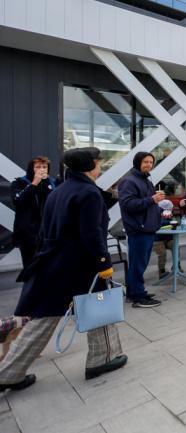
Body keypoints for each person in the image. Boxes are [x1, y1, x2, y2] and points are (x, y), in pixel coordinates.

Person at [0, 148, 126, 391]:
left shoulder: (59, 190)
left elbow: (45, 229)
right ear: (90, 166)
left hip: (53, 264)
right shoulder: (89, 193)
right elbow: (91, 233)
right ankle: (101, 359)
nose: (100, 167)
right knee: (100, 309)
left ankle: (8, 373)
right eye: (98, 163)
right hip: (81, 266)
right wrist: (104, 262)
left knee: (43, 318)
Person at [118, 152, 164, 308]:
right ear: (138, 162)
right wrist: (152, 199)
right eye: (146, 162)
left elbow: (148, 204)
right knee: (138, 265)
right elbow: (127, 205)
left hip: (147, 228)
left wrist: (159, 209)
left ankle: (134, 293)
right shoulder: (129, 181)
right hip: (139, 229)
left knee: (139, 264)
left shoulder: (145, 179)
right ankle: (138, 297)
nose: (149, 165)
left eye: (151, 162)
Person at [11, 156, 57, 268]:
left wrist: (46, 184)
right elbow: (18, 201)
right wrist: (34, 183)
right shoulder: (19, 183)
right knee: (30, 266)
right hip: (28, 233)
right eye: (38, 167)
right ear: (31, 168)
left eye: (44, 167)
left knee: (48, 266)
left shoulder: (53, 183)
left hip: (48, 232)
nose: (41, 169)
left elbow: (57, 202)